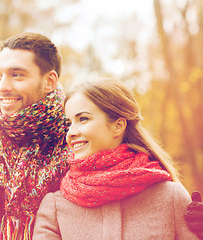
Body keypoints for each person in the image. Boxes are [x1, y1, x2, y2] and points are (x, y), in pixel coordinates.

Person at [0, 33, 203, 240]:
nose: (2, 86)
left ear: (49, 80)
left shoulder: (80, 148)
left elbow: (122, 202)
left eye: (16, 75)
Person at [32, 79, 200, 240]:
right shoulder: (54, 208)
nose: (71, 133)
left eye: (83, 119)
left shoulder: (170, 197)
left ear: (118, 126)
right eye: (69, 123)